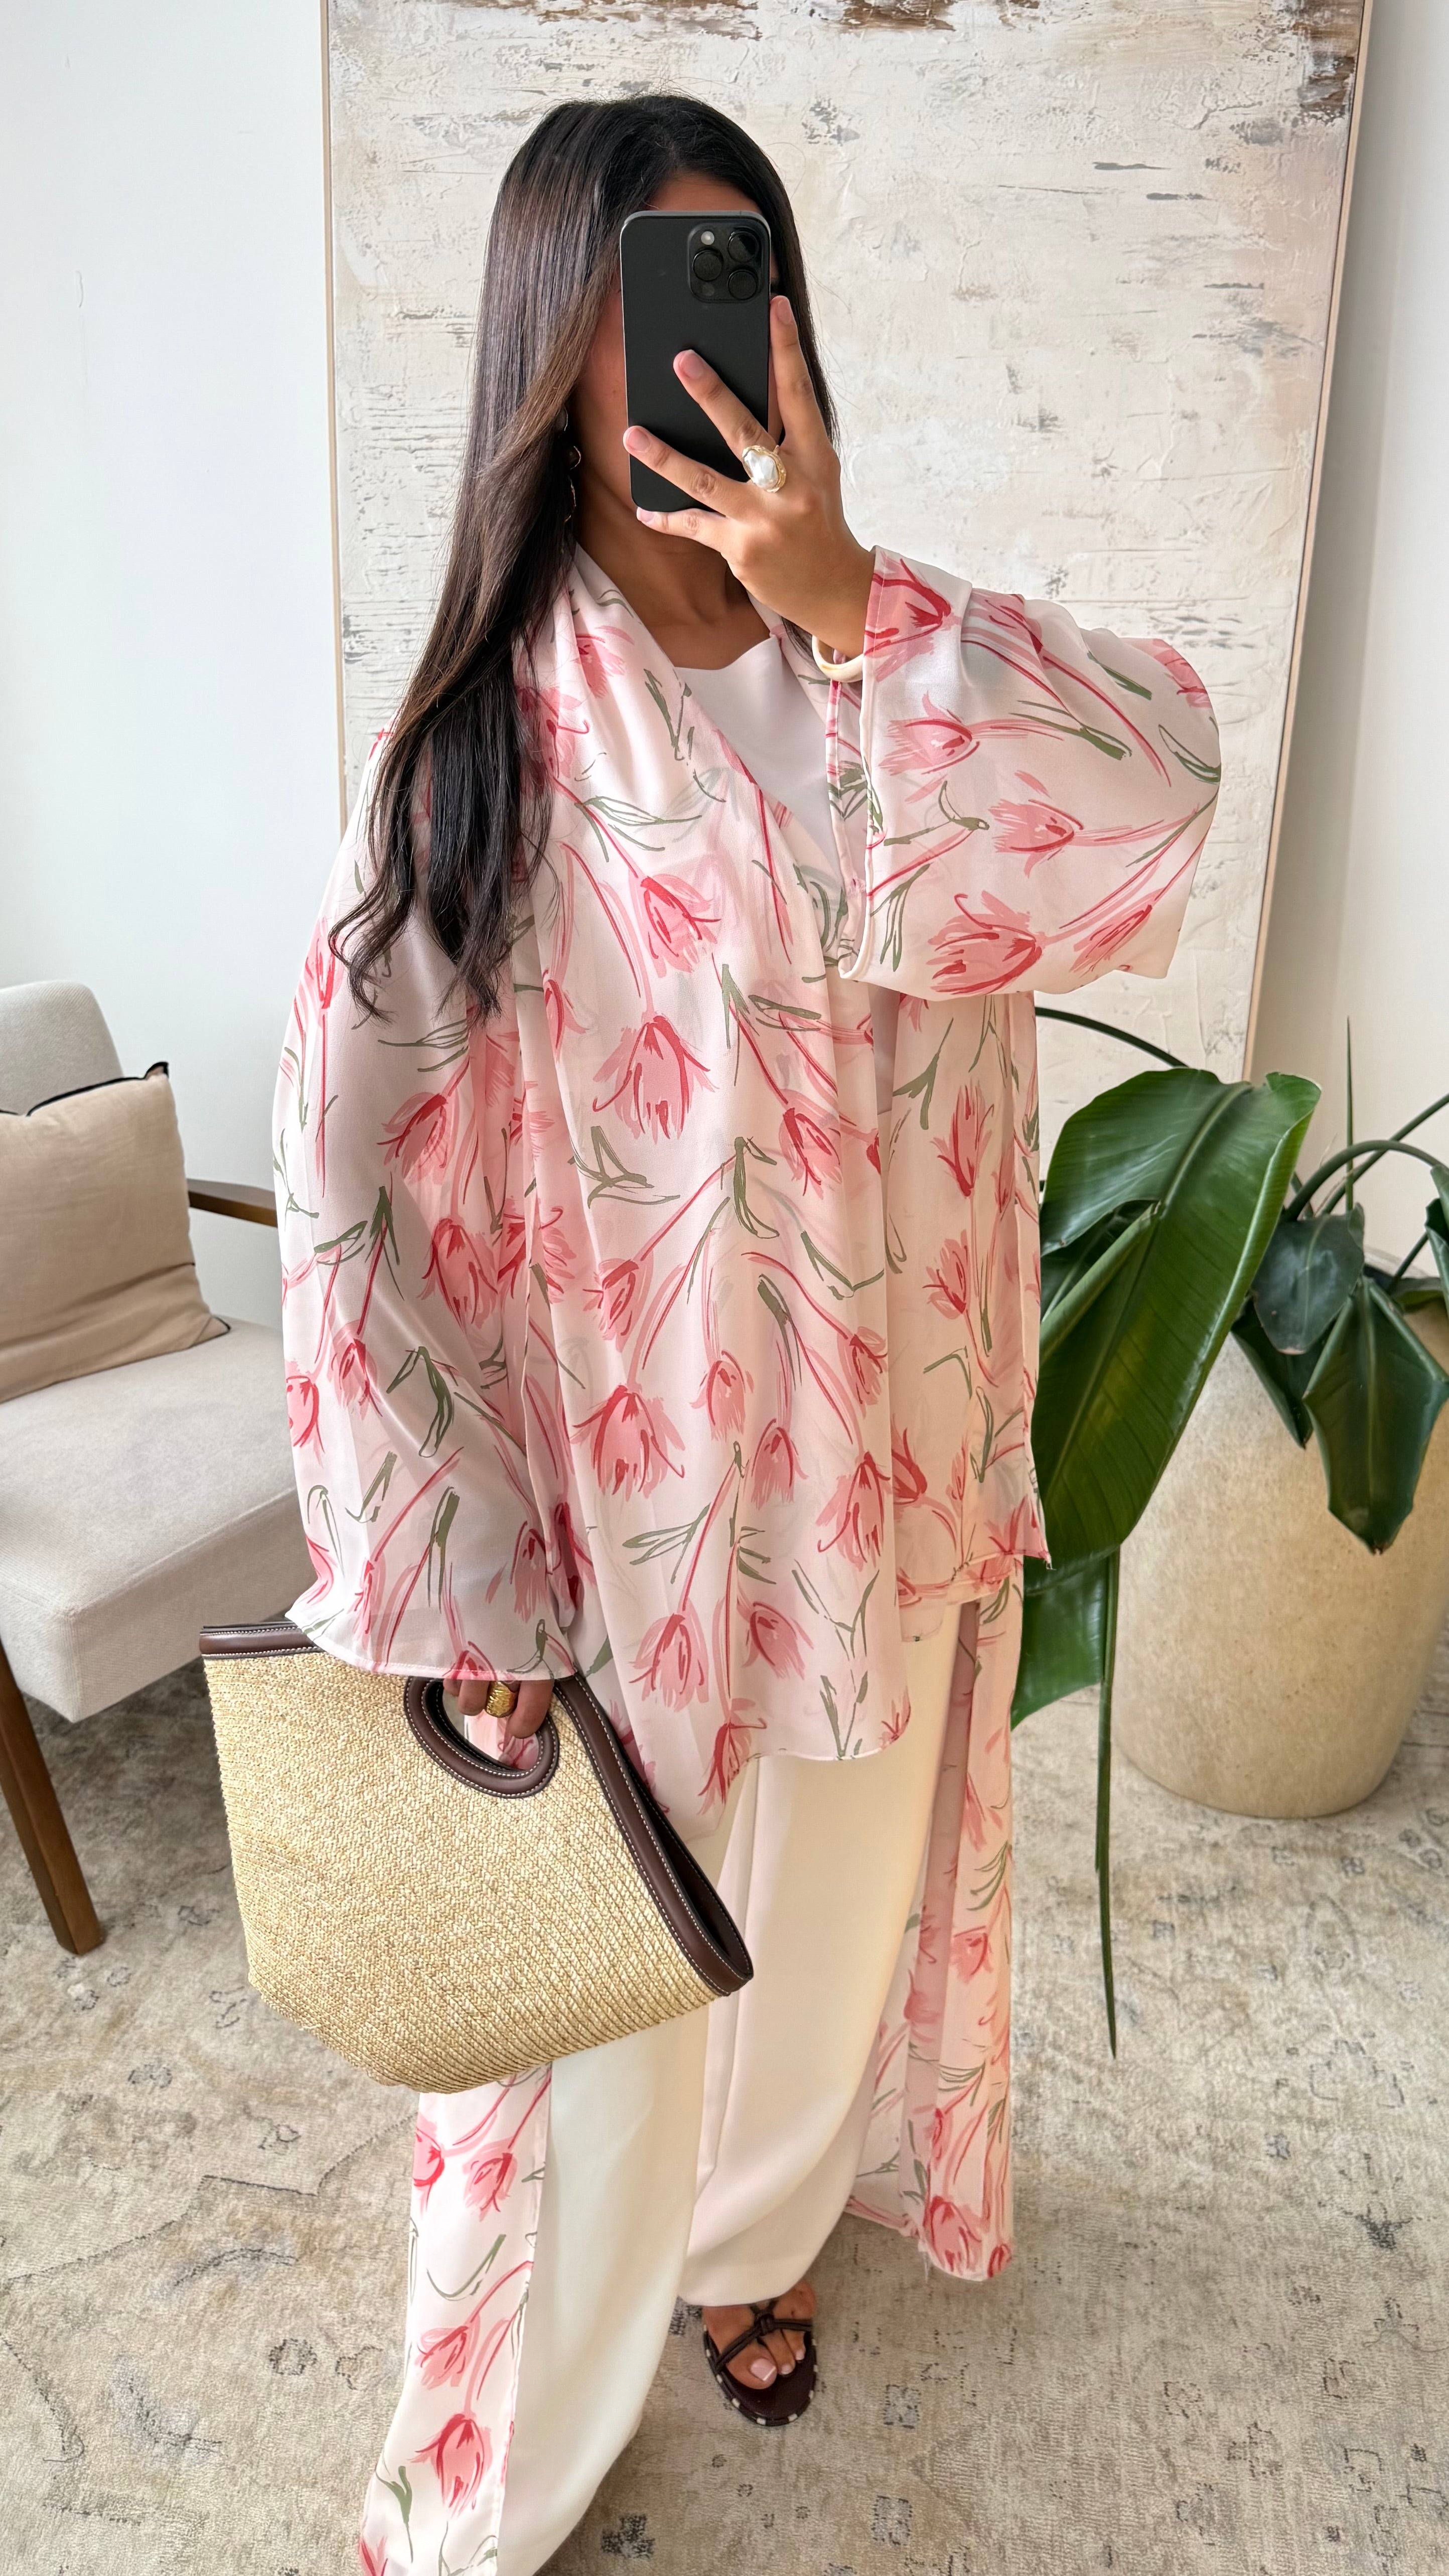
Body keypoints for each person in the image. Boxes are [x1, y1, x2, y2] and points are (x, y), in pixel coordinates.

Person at [275, 92, 1219, 2576]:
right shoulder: (480, 750)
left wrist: (844, 596)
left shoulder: (892, 663)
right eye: (646, 303)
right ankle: (492, 2480)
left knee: (813, 1944)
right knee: (585, 2016)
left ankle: (754, 2246)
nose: (707, 348)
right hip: (635, 1508)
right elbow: (348, 1164)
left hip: (886, 1451)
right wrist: (451, 1562)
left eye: (745, 281)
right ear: (549, 354)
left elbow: (1150, 798)